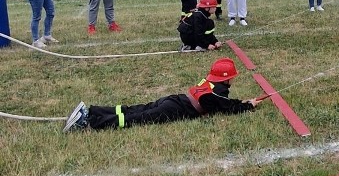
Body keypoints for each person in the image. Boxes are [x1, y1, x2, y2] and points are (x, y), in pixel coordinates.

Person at [63, 58, 262, 132]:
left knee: (137, 109)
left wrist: (240, 102)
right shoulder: (218, 92)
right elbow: (226, 107)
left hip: (175, 99)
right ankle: (92, 123)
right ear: (226, 79)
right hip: (174, 109)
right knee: (136, 119)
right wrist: (247, 105)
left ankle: (93, 111)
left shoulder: (210, 83)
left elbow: (222, 103)